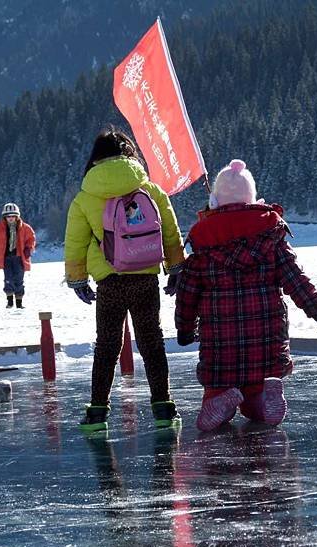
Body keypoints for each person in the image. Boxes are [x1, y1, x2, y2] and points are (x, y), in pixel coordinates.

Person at [175, 159, 317, 432]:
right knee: (257, 394)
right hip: (266, 345)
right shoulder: (271, 237)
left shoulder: (203, 244)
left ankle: (220, 398)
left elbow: (187, 294)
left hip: (220, 350)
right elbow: (297, 282)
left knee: (211, 410)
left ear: (215, 201)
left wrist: (184, 329)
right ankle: (263, 400)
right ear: (253, 199)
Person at [64, 125, 186, 432]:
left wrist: (78, 279)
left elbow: (76, 243)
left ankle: (97, 414)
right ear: (129, 153)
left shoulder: (85, 196)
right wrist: (175, 268)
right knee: (152, 341)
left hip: (110, 280)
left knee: (106, 345)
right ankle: (163, 407)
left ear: (95, 159)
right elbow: (170, 231)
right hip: (146, 276)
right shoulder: (150, 189)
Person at [0, 202, 36, 309]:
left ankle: (19, 302)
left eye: (13, 216)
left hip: (19, 258)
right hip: (6, 258)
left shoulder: (25, 228)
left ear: (17, 216)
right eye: (8, 216)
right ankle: (9, 302)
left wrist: (28, 248)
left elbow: (31, 239)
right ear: (5, 217)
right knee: (8, 279)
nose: (11, 218)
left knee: (19, 279)